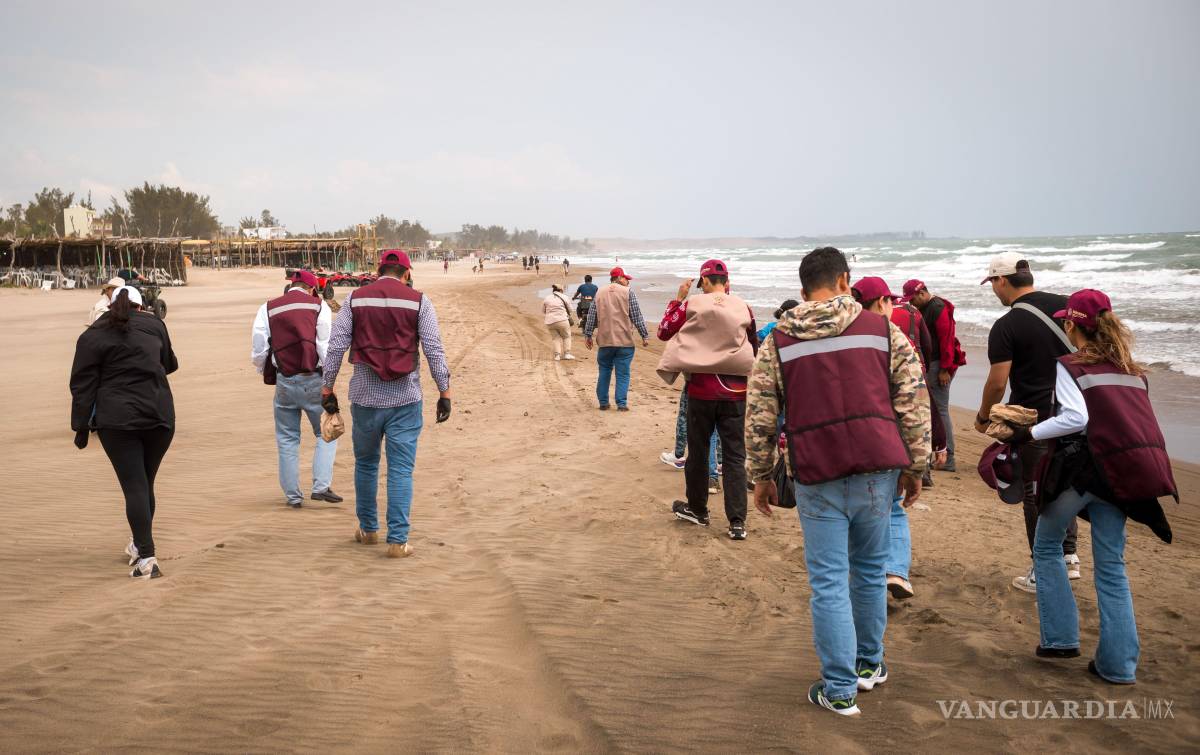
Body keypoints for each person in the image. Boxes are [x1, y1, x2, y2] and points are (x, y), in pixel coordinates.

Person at [746, 248, 930, 717]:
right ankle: (869, 666)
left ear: (804, 288)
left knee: (829, 581)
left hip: (816, 472)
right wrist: (916, 465)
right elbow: (911, 398)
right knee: (869, 571)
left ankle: (840, 688)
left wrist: (761, 476)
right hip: (876, 470)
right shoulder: (882, 329)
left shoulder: (779, 340)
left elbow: (761, 415)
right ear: (845, 280)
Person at [1008, 289, 1177, 684]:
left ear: (1071, 324)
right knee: (1111, 567)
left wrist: (1028, 431)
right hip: (1121, 475)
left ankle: (1060, 640)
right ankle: (1118, 667)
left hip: (1082, 471)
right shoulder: (1132, 371)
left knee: (1048, 546)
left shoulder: (1071, 365)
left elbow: (1075, 419)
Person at [322, 250, 452, 558]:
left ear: (379, 270)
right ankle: (398, 541)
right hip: (405, 399)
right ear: (407, 273)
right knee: (401, 470)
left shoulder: (355, 299)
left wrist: (327, 388)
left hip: (365, 399)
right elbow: (434, 349)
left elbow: (336, 346)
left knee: (366, 465)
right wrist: (444, 391)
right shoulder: (419, 301)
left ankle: (368, 530)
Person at [974, 252, 1080, 593]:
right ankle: (1069, 557)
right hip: (1079, 413)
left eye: (992, 283)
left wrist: (983, 416)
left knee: (1036, 493)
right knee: (1067, 484)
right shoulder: (1067, 307)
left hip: (1036, 419)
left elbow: (997, 381)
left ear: (1001, 281)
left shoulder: (1007, 325)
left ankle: (1043, 568)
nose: (994, 290)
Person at [70, 286, 179, 579]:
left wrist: (81, 428)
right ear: (140, 305)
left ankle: (147, 557)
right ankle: (139, 545)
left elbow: (81, 385)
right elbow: (170, 364)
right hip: (159, 414)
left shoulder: (92, 334)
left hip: (117, 420)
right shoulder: (155, 324)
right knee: (144, 483)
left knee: (135, 485)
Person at [852, 277, 946, 601]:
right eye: (890, 302)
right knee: (893, 508)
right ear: (881, 303)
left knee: (857, 514)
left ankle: (867, 576)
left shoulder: (840, 337)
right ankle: (894, 571)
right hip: (887, 443)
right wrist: (918, 465)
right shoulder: (894, 339)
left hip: (848, 445)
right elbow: (914, 405)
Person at [658, 259, 758, 540]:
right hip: (736, 392)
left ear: (702, 282)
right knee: (736, 456)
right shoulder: (743, 307)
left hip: (701, 391)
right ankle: (737, 522)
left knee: (699, 453)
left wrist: (678, 299)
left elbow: (664, 330)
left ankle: (698, 510)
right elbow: (753, 344)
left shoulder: (693, 305)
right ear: (727, 281)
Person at [251, 269, 341, 508]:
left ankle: (293, 496)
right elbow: (325, 347)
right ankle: (321, 486)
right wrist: (329, 383)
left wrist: (267, 371)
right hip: (312, 379)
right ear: (312, 288)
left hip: (284, 380)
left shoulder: (267, 308)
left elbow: (259, 348)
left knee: (287, 439)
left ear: (291, 286)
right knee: (327, 432)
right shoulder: (319, 306)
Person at [901, 279, 965, 472]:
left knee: (940, 410)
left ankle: (949, 459)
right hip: (935, 364)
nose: (912, 304)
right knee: (934, 409)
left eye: (913, 299)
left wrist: (945, 369)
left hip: (940, 366)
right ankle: (939, 455)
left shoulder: (937, 308)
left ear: (922, 293)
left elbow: (946, 339)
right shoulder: (927, 307)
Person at [583, 266, 649, 410]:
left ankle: (603, 403)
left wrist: (588, 335)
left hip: (605, 341)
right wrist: (644, 335)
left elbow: (591, 316)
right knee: (623, 373)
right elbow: (636, 316)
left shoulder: (599, 292)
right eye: (626, 279)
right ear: (619, 278)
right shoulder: (628, 292)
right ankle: (621, 404)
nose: (628, 282)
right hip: (624, 341)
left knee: (604, 370)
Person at [543, 283, 576, 361]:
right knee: (566, 336)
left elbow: (543, 311)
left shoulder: (547, 298)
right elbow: (571, 309)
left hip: (550, 321)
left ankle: (557, 356)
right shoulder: (564, 297)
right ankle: (567, 354)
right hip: (562, 320)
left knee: (555, 338)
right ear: (561, 290)